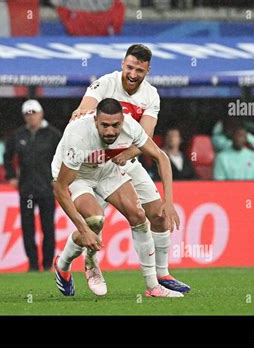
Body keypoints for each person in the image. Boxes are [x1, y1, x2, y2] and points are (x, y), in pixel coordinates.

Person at [67, 44, 190, 294]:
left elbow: (146, 137)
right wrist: (81, 115)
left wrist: (128, 154)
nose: (133, 74)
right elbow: (85, 108)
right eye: (130, 67)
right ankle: (70, 263)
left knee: (156, 214)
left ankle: (162, 275)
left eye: (140, 70)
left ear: (148, 70)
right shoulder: (105, 83)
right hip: (94, 163)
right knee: (93, 223)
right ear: (123, 64)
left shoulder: (151, 95)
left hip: (126, 161)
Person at [52, 98, 182, 298]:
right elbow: (60, 188)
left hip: (106, 168)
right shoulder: (78, 136)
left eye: (115, 125)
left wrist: (169, 201)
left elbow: (161, 157)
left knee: (138, 215)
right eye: (104, 125)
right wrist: (83, 229)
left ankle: (153, 287)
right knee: (94, 221)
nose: (110, 131)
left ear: (123, 120)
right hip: (77, 175)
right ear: (95, 120)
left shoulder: (131, 126)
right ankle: (80, 264)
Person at [4, 99, 62, 272]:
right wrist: (11, 176)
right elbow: (8, 156)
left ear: (41, 114)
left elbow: (63, 157)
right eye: (27, 114)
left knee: (48, 228)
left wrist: (58, 178)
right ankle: (33, 264)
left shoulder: (52, 134)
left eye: (33, 113)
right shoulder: (18, 134)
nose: (31, 117)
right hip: (26, 189)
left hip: (47, 189)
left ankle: (47, 264)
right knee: (27, 228)